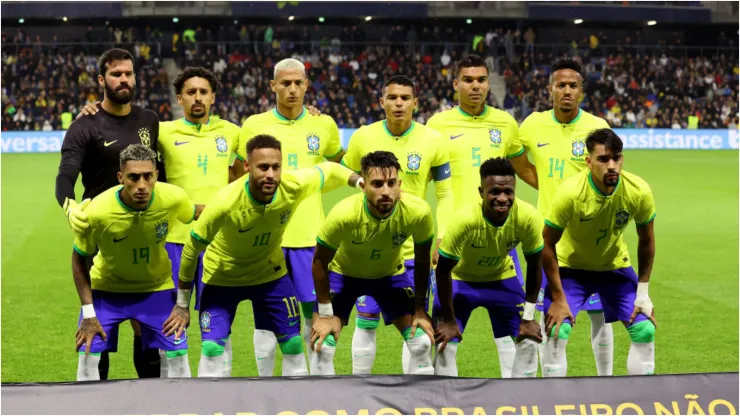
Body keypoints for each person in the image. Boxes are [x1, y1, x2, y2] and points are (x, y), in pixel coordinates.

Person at [168, 135, 361, 378]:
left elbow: (330, 169)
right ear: (247, 167)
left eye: (276, 167)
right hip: (222, 277)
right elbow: (191, 250)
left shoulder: (293, 186)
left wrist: (359, 182)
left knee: (292, 344)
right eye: (263, 167)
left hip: (270, 275)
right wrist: (182, 305)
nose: (270, 174)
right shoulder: (225, 202)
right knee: (211, 348)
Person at [56, 48, 164, 380]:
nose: (124, 79)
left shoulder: (149, 120)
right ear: (102, 80)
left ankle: (153, 398)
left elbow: (161, 174)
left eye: (129, 73)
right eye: (116, 74)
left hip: (142, 229)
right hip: (100, 232)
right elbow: (65, 175)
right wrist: (69, 205)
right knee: (99, 321)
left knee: (142, 323)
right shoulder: (84, 125)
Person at [426, 54, 536, 377]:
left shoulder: (505, 123)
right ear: (455, 83)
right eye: (469, 80)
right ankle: (445, 404)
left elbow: (524, 167)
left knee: (515, 334)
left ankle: (518, 402)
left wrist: (556, 190)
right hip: (454, 240)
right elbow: (423, 182)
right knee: (444, 334)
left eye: (482, 80)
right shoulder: (438, 125)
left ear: (489, 83)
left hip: (500, 240)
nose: (476, 86)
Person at [232, 58, 344, 375]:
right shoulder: (253, 125)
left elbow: (336, 167)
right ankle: (269, 394)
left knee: (316, 321)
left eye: (298, 83)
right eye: (285, 83)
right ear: (273, 86)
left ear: (307, 85)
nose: (292, 89)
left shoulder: (324, 125)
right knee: (267, 323)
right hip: (268, 242)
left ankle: (320, 393)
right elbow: (238, 177)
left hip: (311, 240)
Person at [508, 58, 614, 376]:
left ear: (581, 92)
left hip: (590, 236)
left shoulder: (598, 127)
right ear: (550, 89)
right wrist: (541, 182)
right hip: (548, 238)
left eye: (573, 86)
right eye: (561, 85)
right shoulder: (533, 124)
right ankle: (554, 393)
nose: (566, 91)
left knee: (600, 315)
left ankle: (607, 382)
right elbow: (516, 158)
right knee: (553, 318)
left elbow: (611, 175)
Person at [340, 75, 453, 374]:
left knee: (415, 327)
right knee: (366, 321)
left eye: (405, 98)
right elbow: (349, 176)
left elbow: (445, 193)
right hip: (369, 248)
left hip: (414, 249)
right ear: (382, 102)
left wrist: (441, 237)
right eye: (392, 97)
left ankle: (412, 394)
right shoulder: (363, 136)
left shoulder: (433, 141)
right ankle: (359, 390)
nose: (399, 103)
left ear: (416, 102)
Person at [72, 144, 200, 381]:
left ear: (156, 176)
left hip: (156, 289)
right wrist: (88, 313)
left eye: (147, 176)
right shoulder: (98, 211)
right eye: (133, 177)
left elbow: (196, 212)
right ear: (120, 178)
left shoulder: (172, 197)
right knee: (88, 351)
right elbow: (79, 259)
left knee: (178, 354)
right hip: (107, 291)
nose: (141, 185)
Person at [540, 128, 657, 377]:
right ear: (589, 161)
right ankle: (551, 401)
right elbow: (546, 244)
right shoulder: (571, 193)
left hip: (613, 268)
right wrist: (559, 298)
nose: (612, 165)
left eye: (617, 158)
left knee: (645, 329)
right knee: (556, 329)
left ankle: (641, 401)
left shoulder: (638, 191)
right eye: (603, 159)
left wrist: (643, 293)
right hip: (570, 269)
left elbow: (646, 239)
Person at [309, 151, 437, 375]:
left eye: (391, 183)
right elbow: (319, 262)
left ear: (400, 184)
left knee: (422, 342)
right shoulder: (344, 214)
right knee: (323, 345)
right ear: (364, 185)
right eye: (377, 184)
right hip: (344, 276)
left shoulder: (418, 212)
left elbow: (423, 259)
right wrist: (325, 313)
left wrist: (419, 309)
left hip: (389, 276)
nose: (386, 191)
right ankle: (323, 406)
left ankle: (419, 404)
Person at [432, 157, 543, 378]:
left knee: (530, 341)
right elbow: (443, 270)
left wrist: (529, 317)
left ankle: (520, 404)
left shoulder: (528, 216)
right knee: (445, 344)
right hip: (460, 280)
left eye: (508, 192)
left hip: (501, 278)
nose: (502, 198)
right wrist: (449, 320)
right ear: (481, 191)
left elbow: (535, 264)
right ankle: (449, 404)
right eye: (494, 192)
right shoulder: (464, 220)